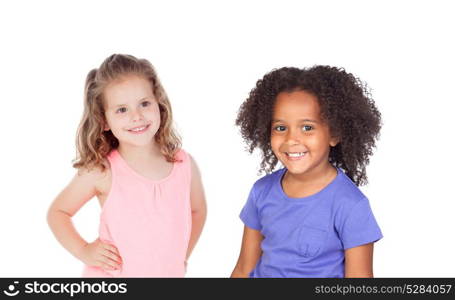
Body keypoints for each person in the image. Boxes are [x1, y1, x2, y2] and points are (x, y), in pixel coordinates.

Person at [47, 54, 207, 277]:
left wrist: (181, 256)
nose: (137, 116)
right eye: (122, 110)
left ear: (158, 104)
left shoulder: (184, 163)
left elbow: (197, 211)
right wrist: (84, 250)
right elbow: (58, 212)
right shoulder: (103, 170)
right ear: (103, 120)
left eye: (144, 103)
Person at [231, 66, 382, 278]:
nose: (291, 139)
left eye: (307, 128)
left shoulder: (350, 205)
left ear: (335, 134)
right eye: (281, 128)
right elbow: (243, 269)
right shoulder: (261, 192)